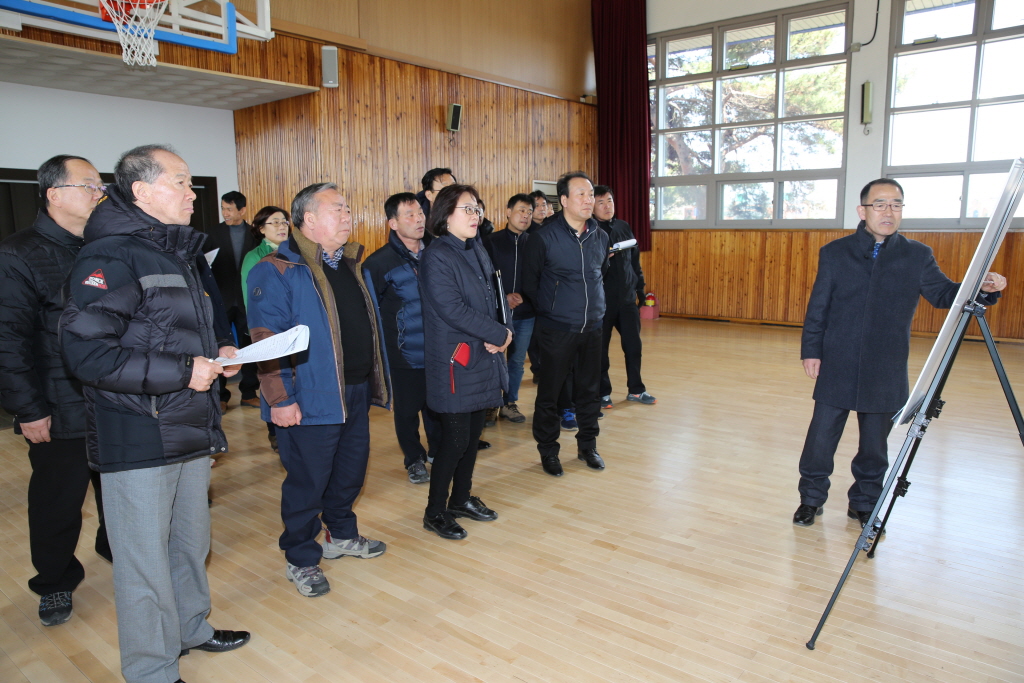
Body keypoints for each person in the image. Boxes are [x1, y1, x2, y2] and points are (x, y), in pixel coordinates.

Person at [60, 144, 250, 683]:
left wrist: (219, 351)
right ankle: (151, 670)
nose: (194, 194)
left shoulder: (177, 252)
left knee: (190, 544)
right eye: (182, 182)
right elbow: (88, 354)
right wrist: (182, 371)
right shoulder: (110, 257)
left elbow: (181, 332)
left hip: (189, 424)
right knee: (143, 566)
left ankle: (191, 627)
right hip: (138, 434)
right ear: (142, 192)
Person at [794, 178, 1007, 528]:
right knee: (820, 440)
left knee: (875, 447)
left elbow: (944, 295)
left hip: (886, 365)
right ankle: (811, 499)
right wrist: (811, 350)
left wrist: (981, 288)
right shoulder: (834, 253)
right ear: (863, 211)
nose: (888, 211)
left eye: (896, 204)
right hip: (838, 359)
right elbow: (819, 306)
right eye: (880, 204)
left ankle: (864, 503)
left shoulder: (917, 255)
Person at [247, 182, 391, 598]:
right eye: (338, 209)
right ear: (308, 220)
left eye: (348, 209)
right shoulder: (277, 269)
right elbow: (265, 338)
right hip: (309, 396)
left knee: (349, 472)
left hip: (355, 389)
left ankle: (341, 535)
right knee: (307, 482)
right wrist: (280, 398)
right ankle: (301, 558)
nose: (348, 216)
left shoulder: (348, 264)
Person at [0, 154, 111, 628]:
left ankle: (117, 548)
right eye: (89, 185)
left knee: (121, 491)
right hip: (57, 404)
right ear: (54, 193)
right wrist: (28, 409)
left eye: (100, 186)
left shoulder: (104, 246)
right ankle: (54, 581)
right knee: (57, 503)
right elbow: (8, 339)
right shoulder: (18, 254)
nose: (98, 194)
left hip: (112, 397)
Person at [419, 183, 512, 540]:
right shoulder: (437, 255)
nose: (476, 215)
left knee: (473, 437)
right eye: (467, 209)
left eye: (477, 209)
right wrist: (495, 333)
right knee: (455, 440)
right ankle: (434, 511)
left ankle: (460, 498)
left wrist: (504, 331)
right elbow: (452, 308)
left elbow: (495, 297)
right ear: (445, 215)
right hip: (456, 362)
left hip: (482, 356)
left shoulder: (476, 248)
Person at [521, 171, 608, 477]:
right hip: (557, 329)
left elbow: (600, 274)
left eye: (591, 194)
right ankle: (548, 451)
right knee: (550, 393)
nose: (590, 200)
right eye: (582, 194)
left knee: (589, 392)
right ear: (565, 200)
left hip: (593, 327)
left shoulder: (600, 235)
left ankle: (588, 446)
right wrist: (553, 309)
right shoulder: (543, 238)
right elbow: (529, 283)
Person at [363, 192, 440, 485]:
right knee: (407, 411)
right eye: (410, 214)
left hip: (439, 350)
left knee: (438, 406)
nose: (419, 218)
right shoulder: (378, 263)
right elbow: (371, 313)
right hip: (403, 352)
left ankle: (437, 451)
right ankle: (414, 459)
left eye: (420, 212)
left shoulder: (438, 251)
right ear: (393, 223)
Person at [592, 185, 655, 408]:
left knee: (633, 346)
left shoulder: (623, 226)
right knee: (601, 351)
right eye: (601, 202)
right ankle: (602, 393)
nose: (607, 206)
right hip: (602, 302)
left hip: (627, 299)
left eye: (609, 200)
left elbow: (634, 261)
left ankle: (636, 390)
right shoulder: (590, 231)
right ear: (592, 206)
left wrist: (640, 290)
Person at [240, 205, 292, 452]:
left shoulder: (295, 252)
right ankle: (275, 431)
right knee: (273, 380)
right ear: (261, 229)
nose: (282, 226)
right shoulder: (254, 257)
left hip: (294, 328)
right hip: (269, 328)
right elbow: (251, 298)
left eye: (284, 222)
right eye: (275, 222)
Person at [205, 190, 260, 410]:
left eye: (229, 209)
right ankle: (221, 395)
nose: (225, 213)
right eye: (223, 208)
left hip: (247, 300)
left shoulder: (254, 234)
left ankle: (248, 392)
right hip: (221, 299)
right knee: (219, 348)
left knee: (248, 348)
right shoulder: (211, 233)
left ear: (242, 210)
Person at [484, 193, 536, 424]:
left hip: (525, 313)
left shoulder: (535, 242)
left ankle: (509, 403)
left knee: (516, 361)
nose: (525, 216)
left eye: (529, 212)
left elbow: (540, 277)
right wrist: (502, 297)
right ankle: (488, 405)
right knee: (492, 360)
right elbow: (482, 278)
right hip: (495, 313)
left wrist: (523, 296)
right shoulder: (490, 241)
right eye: (521, 210)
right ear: (508, 212)